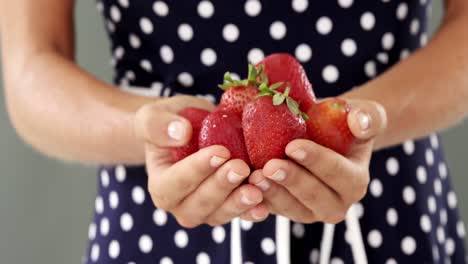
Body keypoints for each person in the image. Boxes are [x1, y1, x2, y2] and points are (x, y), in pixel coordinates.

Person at [1, 0, 467, 263]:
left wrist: (350, 126)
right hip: (160, 226)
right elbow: (31, 69)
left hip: (387, 218)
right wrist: (165, 131)